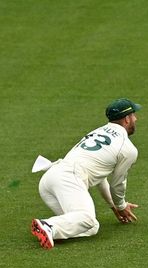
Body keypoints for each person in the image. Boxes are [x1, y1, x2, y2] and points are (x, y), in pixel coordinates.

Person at [30, 98, 141, 249]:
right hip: (68, 178)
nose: (136, 118)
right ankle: (48, 225)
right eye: (134, 115)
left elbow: (100, 176)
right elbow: (117, 184)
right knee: (87, 218)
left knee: (91, 227)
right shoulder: (127, 148)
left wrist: (112, 205)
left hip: (49, 179)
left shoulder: (98, 131)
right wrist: (121, 205)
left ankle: (50, 230)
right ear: (127, 119)